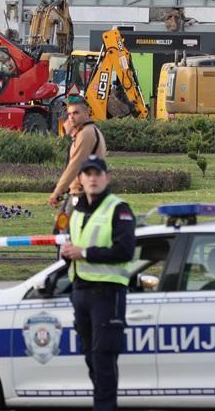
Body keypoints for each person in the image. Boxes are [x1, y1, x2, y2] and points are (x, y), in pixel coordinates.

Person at [60, 156, 135, 411]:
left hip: (107, 293)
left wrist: (84, 253)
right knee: (91, 358)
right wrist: (68, 254)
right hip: (80, 292)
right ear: (80, 179)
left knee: (104, 358)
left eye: (97, 174)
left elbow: (125, 251)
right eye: (87, 174)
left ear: (107, 177)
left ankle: (104, 407)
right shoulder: (78, 210)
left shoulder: (118, 208)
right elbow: (74, 247)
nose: (92, 178)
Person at [49, 96, 107, 217]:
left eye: (75, 113)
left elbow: (75, 165)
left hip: (82, 193)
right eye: (69, 113)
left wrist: (58, 191)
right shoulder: (85, 132)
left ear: (86, 113)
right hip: (79, 192)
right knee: (62, 229)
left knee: (63, 231)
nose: (71, 117)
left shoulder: (86, 133)